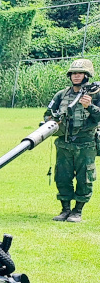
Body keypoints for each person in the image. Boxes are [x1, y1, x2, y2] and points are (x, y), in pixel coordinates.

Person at [44, 58, 99, 222]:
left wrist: (90, 106)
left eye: (80, 73)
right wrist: (53, 121)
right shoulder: (62, 95)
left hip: (86, 143)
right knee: (62, 176)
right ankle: (65, 209)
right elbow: (47, 114)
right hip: (64, 144)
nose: (76, 76)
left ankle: (78, 210)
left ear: (87, 75)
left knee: (85, 178)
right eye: (74, 73)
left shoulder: (96, 95)